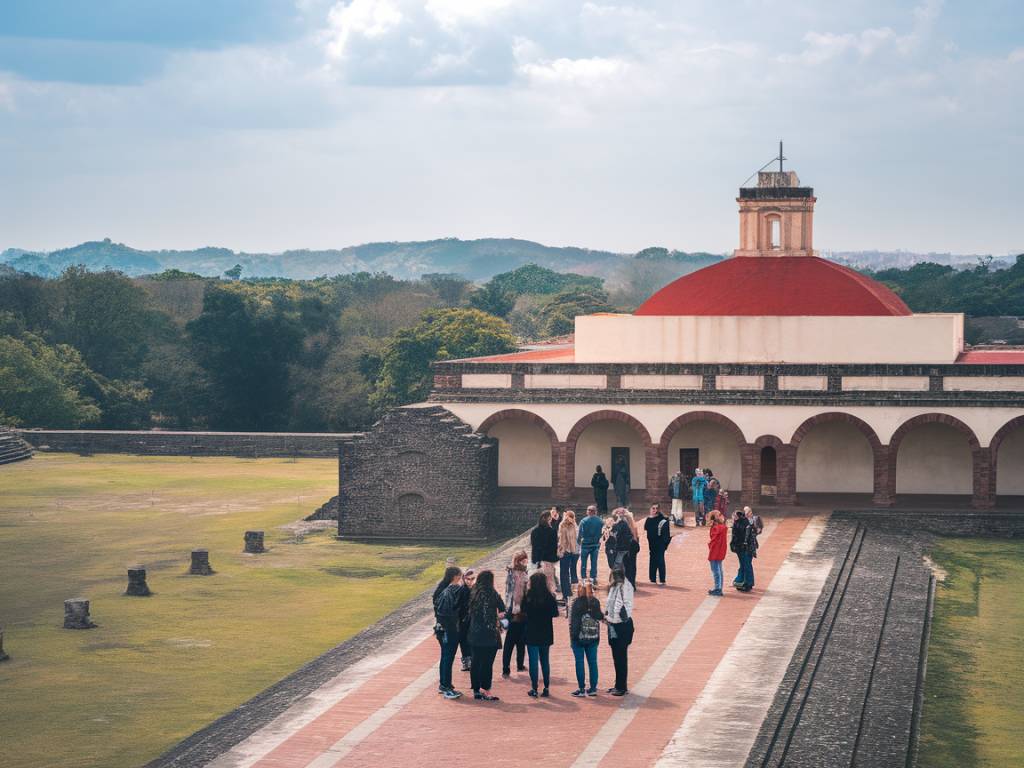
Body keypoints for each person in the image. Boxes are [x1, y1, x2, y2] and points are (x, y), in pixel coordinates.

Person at [468, 569, 506, 700]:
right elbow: (502, 609)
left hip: (475, 633)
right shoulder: (493, 593)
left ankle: (476, 689)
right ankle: (486, 688)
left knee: (476, 661)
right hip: (490, 633)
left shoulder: (473, 593)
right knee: (487, 663)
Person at [522, 571, 559, 697]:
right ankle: (547, 687)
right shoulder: (550, 597)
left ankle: (534, 687)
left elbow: (523, 611)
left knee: (533, 661)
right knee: (545, 660)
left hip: (532, 632)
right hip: (546, 632)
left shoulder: (528, 597)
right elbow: (555, 613)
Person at [433, 566, 464, 699]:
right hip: (449, 629)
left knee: (445, 656)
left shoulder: (441, 590)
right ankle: (446, 686)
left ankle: (444, 684)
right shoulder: (452, 591)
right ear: (455, 576)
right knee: (448, 657)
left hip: (441, 629)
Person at [569, 581, 603, 697]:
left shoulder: (576, 603)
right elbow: (600, 616)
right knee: (593, 662)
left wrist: (573, 638)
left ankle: (582, 688)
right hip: (593, 637)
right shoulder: (595, 602)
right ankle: (593, 688)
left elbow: (573, 622)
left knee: (579, 662)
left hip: (578, 638)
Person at [605, 568, 635, 696]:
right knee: (619, 657)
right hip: (622, 625)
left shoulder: (620, 587)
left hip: (619, 626)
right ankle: (619, 684)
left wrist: (607, 618)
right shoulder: (625, 585)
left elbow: (616, 607)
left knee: (620, 657)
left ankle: (621, 686)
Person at [501, 551, 529, 677]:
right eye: (523, 560)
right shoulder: (514, 574)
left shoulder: (523, 572)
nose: (526, 562)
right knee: (511, 640)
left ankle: (519, 664)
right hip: (514, 610)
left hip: (522, 609)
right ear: (518, 561)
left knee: (521, 639)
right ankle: (506, 667)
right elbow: (511, 593)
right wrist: (514, 608)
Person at [530, 509, 559, 595]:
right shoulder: (552, 532)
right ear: (549, 519)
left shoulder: (534, 531)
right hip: (548, 560)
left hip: (537, 560)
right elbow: (554, 547)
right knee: (549, 581)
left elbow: (534, 546)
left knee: (537, 582)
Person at [644, 503, 671, 585]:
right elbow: (647, 529)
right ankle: (652, 579)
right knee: (652, 560)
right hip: (651, 544)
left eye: (656, 508)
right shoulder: (648, 519)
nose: (654, 510)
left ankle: (662, 579)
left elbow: (668, 534)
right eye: (653, 508)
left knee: (660, 560)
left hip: (660, 543)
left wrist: (665, 544)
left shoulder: (664, 519)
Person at [558, 509, 580, 602]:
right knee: (568, 572)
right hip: (570, 551)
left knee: (567, 572)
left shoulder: (570, 526)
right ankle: (569, 592)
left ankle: (569, 593)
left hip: (570, 552)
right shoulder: (571, 525)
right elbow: (562, 540)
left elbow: (562, 540)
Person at [578, 505, 604, 584]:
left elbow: (580, 534)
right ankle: (593, 578)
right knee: (594, 562)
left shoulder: (583, 521)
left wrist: (579, 542)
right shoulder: (600, 521)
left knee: (583, 563)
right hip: (595, 545)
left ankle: (584, 578)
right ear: (595, 512)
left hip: (585, 544)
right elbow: (603, 533)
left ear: (588, 511)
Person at [730, 509, 754, 592]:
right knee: (743, 565)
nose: (734, 518)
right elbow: (734, 537)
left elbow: (746, 537)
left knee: (746, 565)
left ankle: (748, 583)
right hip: (739, 548)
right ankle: (741, 581)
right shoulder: (737, 523)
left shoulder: (745, 523)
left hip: (746, 548)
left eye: (735, 516)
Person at [457, 568, 476, 671]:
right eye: (468, 579)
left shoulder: (475, 589)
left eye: (472, 578)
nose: (470, 581)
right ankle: (466, 662)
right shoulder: (462, 590)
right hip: (463, 621)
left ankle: (471, 660)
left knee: (471, 641)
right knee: (464, 641)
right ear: (464, 579)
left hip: (472, 621)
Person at [707, 511, 727, 596]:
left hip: (715, 551)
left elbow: (713, 541)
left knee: (715, 571)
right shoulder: (723, 527)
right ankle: (719, 588)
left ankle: (718, 588)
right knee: (720, 570)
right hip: (721, 551)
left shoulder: (716, 528)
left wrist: (709, 544)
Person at [619, 509, 641, 588]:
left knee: (625, 565)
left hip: (625, 546)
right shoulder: (633, 526)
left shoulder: (622, 526)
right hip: (633, 545)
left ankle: (627, 584)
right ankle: (632, 583)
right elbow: (636, 538)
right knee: (632, 565)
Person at [743, 506, 761, 588]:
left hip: (750, 546)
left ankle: (749, 582)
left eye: (748, 512)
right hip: (746, 546)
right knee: (746, 564)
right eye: (746, 513)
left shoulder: (754, 521)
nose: (747, 514)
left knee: (748, 564)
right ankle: (746, 581)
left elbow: (757, 531)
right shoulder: (744, 521)